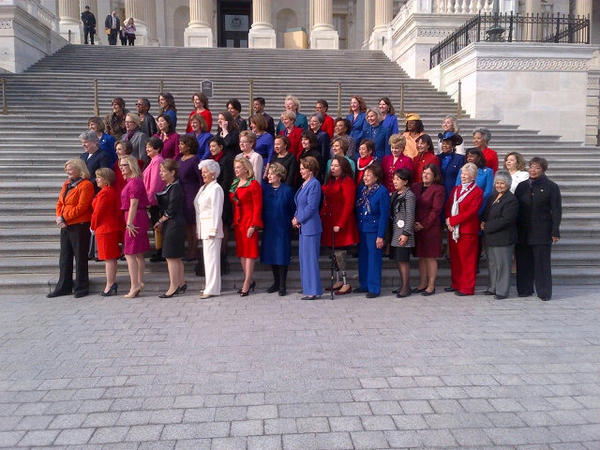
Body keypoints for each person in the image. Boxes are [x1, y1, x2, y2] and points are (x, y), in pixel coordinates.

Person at [514, 157, 562, 301]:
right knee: (523, 261)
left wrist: (555, 230)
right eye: (531, 167)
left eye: (537, 168)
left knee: (542, 263)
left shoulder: (551, 186)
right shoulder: (522, 186)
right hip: (523, 230)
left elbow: (556, 210)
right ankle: (524, 289)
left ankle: (544, 292)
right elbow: (515, 208)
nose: (533, 170)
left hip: (542, 230)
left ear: (543, 170)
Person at [47, 159, 94, 299]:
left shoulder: (86, 185)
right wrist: (59, 217)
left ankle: (81, 286)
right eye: (66, 169)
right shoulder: (67, 184)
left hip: (79, 224)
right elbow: (60, 203)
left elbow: (82, 207)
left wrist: (64, 217)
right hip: (66, 224)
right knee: (65, 257)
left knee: (80, 257)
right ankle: (64, 286)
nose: (67, 171)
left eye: (70, 169)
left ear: (80, 169)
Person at [321, 156, 358, 295]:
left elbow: (348, 204)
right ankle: (338, 280)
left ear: (343, 167)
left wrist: (340, 224)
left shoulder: (347, 181)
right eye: (332, 165)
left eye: (336, 166)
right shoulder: (331, 180)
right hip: (329, 220)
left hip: (341, 222)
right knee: (333, 253)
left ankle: (346, 282)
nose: (333, 168)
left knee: (340, 254)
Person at [445, 162, 483, 296]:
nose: (463, 176)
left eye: (466, 175)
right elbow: (449, 205)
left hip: (467, 230)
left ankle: (467, 288)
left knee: (467, 260)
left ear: (473, 176)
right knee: (455, 259)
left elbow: (471, 212)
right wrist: (448, 220)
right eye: (462, 174)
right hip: (454, 229)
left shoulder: (477, 192)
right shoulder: (456, 189)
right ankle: (456, 284)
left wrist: (453, 220)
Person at [481, 170, 519, 300]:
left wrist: (487, 227)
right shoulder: (493, 196)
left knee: (502, 265)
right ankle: (492, 287)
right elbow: (486, 212)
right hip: (491, 237)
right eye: (497, 183)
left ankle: (502, 290)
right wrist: (483, 221)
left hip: (503, 238)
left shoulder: (511, 199)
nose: (499, 185)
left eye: (502, 183)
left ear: (508, 184)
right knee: (492, 264)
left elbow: (506, 219)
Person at [260, 163, 295, 296]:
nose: (269, 176)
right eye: (268, 173)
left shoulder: (287, 190)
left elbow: (292, 208)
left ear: (279, 176)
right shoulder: (265, 189)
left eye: (272, 173)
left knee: (282, 255)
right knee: (271, 254)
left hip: (282, 227)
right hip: (269, 227)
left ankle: (282, 285)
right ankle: (276, 282)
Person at [356, 163, 390, 298]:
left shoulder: (382, 191)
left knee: (373, 259)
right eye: (364, 175)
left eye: (369, 175)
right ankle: (364, 284)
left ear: (376, 177)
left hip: (374, 230)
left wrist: (380, 235)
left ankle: (374, 288)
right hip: (362, 228)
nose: (365, 178)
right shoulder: (362, 190)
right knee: (363, 258)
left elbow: (384, 215)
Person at [230, 157, 263, 296]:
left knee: (249, 252)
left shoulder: (253, 184)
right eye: (235, 167)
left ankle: (246, 282)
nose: (236, 170)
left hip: (249, 221)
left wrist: (254, 225)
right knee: (242, 252)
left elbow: (257, 206)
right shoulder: (235, 183)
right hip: (239, 222)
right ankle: (249, 280)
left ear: (246, 168)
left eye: (238, 167)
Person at [119, 155, 151, 298]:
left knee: (130, 253)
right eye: (121, 165)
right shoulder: (132, 181)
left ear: (131, 165)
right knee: (137, 253)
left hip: (135, 217)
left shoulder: (135, 182)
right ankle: (138, 282)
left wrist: (129, 222)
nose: (122, 168)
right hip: (135, 216)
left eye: (124, 165)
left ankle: (135, 285)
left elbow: (134, 203)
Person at [154, 159, 186, 298]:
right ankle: (181, 283)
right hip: (173, 223)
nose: (161, 173)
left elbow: (172, 208)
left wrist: (160, 220)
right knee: (175, 257)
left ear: (172, 172)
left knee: (171, 256)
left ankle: (173, 286)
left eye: (163, 171)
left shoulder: (175, 187)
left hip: (174, 223)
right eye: (160, 171)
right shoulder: (170, 186)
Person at [411, 164, 445, 296]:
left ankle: (431, 285)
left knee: (430, 257)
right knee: (421, 256)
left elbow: (436, 210)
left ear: (434, 176)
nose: (425, 175)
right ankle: (422, 283)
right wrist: (414, 222)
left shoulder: (438, 189)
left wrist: (424, 224)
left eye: (428, 173)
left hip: (431, 228)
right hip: (416, 226)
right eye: (423, 172)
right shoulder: (416, 186)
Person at [293, 156, 323, 300]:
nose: (300, 171)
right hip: (303, 227)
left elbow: (312, 207)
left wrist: (299, 219)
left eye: (303, 169)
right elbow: (300, 205)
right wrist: (296, 217)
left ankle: (313, 290)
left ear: (311, 169)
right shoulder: (305, 184)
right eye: (300, 169)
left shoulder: (314, 184)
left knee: (311, 259)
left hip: (311, 227)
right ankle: (307, 286)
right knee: (304, 258)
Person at [91, 168, 123, 296]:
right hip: (109, 227)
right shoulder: (109, 191)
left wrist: (93, 226)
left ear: (106, 179)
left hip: (105, 229)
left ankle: (110, 284)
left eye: (99, 177)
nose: (97, 179)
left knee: (108, 258)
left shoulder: (105, 193)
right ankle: (111, 283)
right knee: (110, 258)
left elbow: (98, 212)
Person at [194, 159, 224, 299]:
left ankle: (212, 288)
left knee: (212, 260)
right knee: (208, 259)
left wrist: (213, 229)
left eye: (205, 172)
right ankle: (209, 286)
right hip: (204, 228)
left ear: (213, 173)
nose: (203, 174)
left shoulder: (216, 188)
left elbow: (217, 210)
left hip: (212, 230)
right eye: (202, 172)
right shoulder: (203, 188)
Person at [207, 136, 234, 274]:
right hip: (213, 197)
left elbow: (227, 180)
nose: (211, 149)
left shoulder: (227, 159)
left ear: (221, 147)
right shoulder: (212, 160)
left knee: (223, 224)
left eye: (214, 146)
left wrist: (217, 194)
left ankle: (223, 253)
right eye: (210, 146)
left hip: (223, 197)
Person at [389, 168, 416, 298]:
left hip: (403, 233)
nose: (395, 181)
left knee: (403, 260)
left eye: (398, 179)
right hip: (395, 231)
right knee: (398, 260)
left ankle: (406, 287)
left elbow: (410, 216)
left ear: (405, 181)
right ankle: (403, 285)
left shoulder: (409, 195)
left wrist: (406, 233)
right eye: (394, 179)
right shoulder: (396, 194)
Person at [176, 134, 202, 261]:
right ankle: (190, 248)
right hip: (182, 194)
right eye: (179, 144)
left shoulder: (195, 159)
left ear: (189, 146)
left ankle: (194, 250)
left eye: (182, 144)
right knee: (187, 224)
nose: (179, 146)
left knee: (193, 224)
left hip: (192, 193)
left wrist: (200, 195)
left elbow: (200, 178)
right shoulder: (180, 159)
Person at [143, 137, 166, 262]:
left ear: (157, 149)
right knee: (156, 225)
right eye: (147, 146)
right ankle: (159, 249)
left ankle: (160, 250)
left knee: (158, 225)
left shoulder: (158, 161)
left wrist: (149, 200)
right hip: (152, 198)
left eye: (150, 147)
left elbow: (155, 183)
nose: (147, 149)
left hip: (155, 200)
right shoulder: (154, 160)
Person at [456, 148, 493, 215]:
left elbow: (488, 192)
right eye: (468, 156)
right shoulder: (462, 170)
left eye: (472, 156)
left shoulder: (488, 172)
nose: (469, 158)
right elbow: (457, 186)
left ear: (479, 158)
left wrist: (474, 200)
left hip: (480, 204)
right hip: (462, 204)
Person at [437, 131, 465, 200]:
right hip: (439, 190)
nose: (444, 145)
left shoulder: (460, 159)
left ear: (453, 145)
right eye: (443, 143)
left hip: (452, 189)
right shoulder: (437, 158)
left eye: (447, 143)